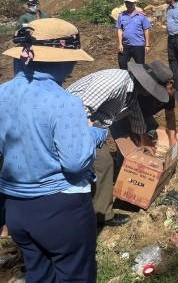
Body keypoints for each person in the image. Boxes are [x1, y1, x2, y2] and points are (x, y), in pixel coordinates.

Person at [0, 18, 106, 282]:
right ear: (59, 61)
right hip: (60, 209)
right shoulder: (65, 102)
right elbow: (75, 162)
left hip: (15, 207)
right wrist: (93, 135)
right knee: (75, 274)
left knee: (38, 272)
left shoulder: (2, 93)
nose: (72, 68)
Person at [66, 62, 172, 226]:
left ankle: (93, 205)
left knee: (100, 164)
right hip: (72, 123)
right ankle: (101, 215)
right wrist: (85, 137)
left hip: (91, 125)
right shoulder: (114, 82)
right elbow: (79, 107)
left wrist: (143, 136)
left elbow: (134, 110)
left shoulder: (131, 88)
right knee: (103, 163)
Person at [110, 61, 178, 145]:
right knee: (129, 146)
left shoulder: (170, 93)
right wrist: (140, 135)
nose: (175, 98)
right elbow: (132, 110)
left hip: (144, 117)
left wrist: (173, 137)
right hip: (121, 115)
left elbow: (170, 113)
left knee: (152, 138)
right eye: (176, 94)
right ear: (170, 83)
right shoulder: (148, 87)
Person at [116, 0, 151, 69]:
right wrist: (120, 44)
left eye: (131, 3)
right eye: (127, 3)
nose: (129, 5)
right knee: (122, 64)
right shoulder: (121, 16)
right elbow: (120, 29)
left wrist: (147, 45)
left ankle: (139, 77)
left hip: (138, 46)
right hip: (125, 45)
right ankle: (125, 76)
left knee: (140, 67)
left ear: (134, 3)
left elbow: (146, 30)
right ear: (125, 4)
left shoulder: (141, 16)